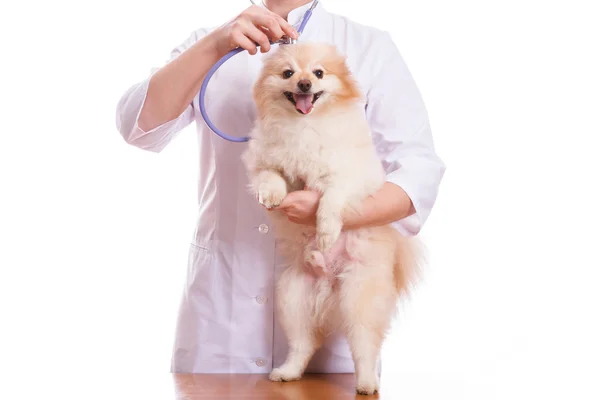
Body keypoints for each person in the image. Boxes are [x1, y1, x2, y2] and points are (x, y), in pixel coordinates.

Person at [115, 0, 445, 374]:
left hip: (332, 299)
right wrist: (215, 44)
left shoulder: (367, 46)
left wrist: (334, 212)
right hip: (222, 321)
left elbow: (418, 173)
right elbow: (136, 127)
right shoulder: (209, 44)